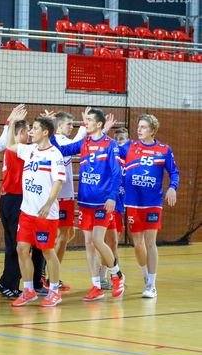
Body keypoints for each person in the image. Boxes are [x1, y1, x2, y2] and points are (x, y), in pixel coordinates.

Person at [51, 108, 125, 301]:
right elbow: (61, 150)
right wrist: (50, 130)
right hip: (85, 201)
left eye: (90, 120)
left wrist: (112, 196)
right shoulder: (84, 142)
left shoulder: (110, 145)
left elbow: (116, 173)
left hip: (103, 201)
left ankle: (117, 275)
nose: (86, 123)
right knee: (88, 244)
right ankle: (96, 286)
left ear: (99, 124)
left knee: (98, 240)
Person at [5, 109, 66, 307]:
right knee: (21, 249)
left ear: (45, 132)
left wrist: (48, 204)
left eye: (36, 128)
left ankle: (54, 291)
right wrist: (11, 123)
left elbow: (58, 181)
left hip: (45, 214)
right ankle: (28, 290)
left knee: (47, 250)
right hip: (27, 212)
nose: (31, 132)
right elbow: (9, 145)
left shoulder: (54, 154)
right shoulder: (29, 150)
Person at [119, 115, 179, 298]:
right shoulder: (129, 146)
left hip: (153, 202)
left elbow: (174, 172)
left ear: (152, 130)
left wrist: (172, 188)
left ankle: (152, 285)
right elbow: (111, 151)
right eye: (139, 126)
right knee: (138, 244)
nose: (139, 129)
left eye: (144, 127)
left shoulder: (164, 150)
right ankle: (145, 275)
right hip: (133, 202)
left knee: (150, 242)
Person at [47, 109, 89, 292]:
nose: (72, 127)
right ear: (58, 126)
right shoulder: (60, 141)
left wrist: (85, 126)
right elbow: (78, 143)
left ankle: (49, 274)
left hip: (65, 196)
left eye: (73, 124)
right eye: (69, 124)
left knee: (68, 234)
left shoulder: (61, 141)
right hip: (61, 197)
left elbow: (76, 141)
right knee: (62, 236)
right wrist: (87, 126)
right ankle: (51, 277)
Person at [0, 119, 29, 299]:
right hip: (15, 200)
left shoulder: (12, 149)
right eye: (27, 131)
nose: (30, 135)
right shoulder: (18, 149)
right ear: (20, 133)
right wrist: (12, 121)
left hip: (7, 200)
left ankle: (8, 283)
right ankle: (7, 284)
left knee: (13, 244)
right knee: (19, 245)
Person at [100, 127, 129, 289]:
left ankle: (112, 275)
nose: (118, 142)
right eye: (116, 139)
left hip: (120, 204)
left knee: (112, 242)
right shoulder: (111, 155)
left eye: (122, 139)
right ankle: (105, 276)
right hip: (110, 202)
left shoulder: (129, 158)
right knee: (110, 242)